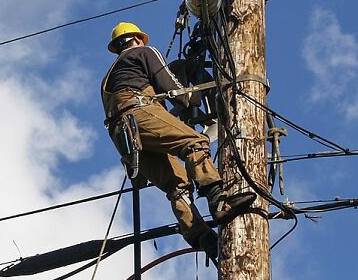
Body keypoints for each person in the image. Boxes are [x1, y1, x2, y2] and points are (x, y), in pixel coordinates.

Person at [100, 22, 255, 260]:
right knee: (194, 142)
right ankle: (220, 202)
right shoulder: (145, 53)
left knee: (176, 185)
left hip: (125, 139)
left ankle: (201, 237)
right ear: (138, 39)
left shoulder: (108, 78)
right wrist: (193, 96)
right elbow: (174, 89)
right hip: (140, 113)